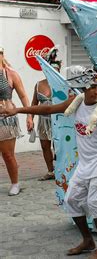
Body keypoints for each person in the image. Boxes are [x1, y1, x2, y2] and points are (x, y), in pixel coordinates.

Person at [1, 68, 97, 259]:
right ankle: (88, 240)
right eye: (92, 87)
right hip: (85, 166)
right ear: (82, 89)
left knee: (96, 205)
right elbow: (48, 109)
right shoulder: (75, 103)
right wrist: (18, 110)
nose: (96, 92)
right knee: (72, 201)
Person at [0, 46, 32, 196]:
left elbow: (23, 96)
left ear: (2, 55)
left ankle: (15, 183)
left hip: (5, 120)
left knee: (7, 154)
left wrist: (29, 115)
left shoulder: (11, 74)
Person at [28, 49, 61, 181]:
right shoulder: (39, 85)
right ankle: (50, 171)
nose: (54, 71)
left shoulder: (62, 84)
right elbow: (33, 104)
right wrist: (30, 118)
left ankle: (61, 168)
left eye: (57, 69)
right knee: (44, 145)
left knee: (58, 145)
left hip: (58, 119)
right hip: (43, 120)